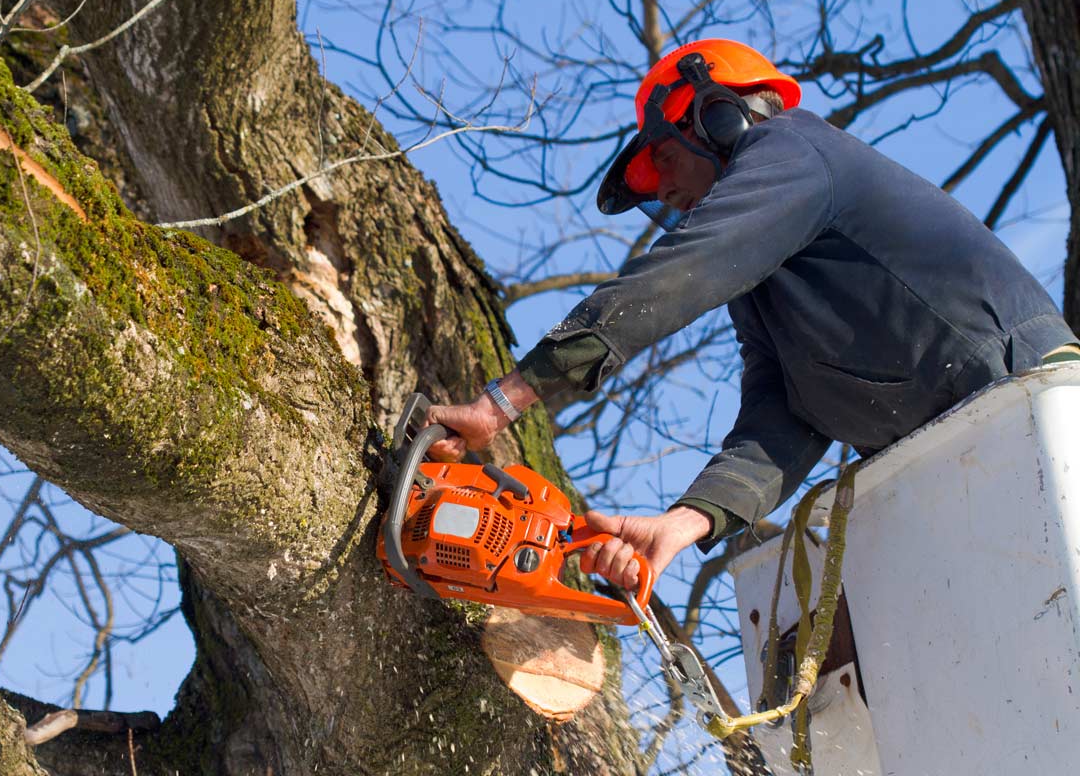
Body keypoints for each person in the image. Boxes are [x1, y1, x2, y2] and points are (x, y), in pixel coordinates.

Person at [424, 39, 1080, 591]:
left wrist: (501, 402)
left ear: (719, 119)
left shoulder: (795, 150)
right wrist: (683, 523)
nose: (667, 191)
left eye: (665, 160)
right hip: (954, 460)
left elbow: (683, 271)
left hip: (1026, 400)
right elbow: (783, 414)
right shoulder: (765, 283)